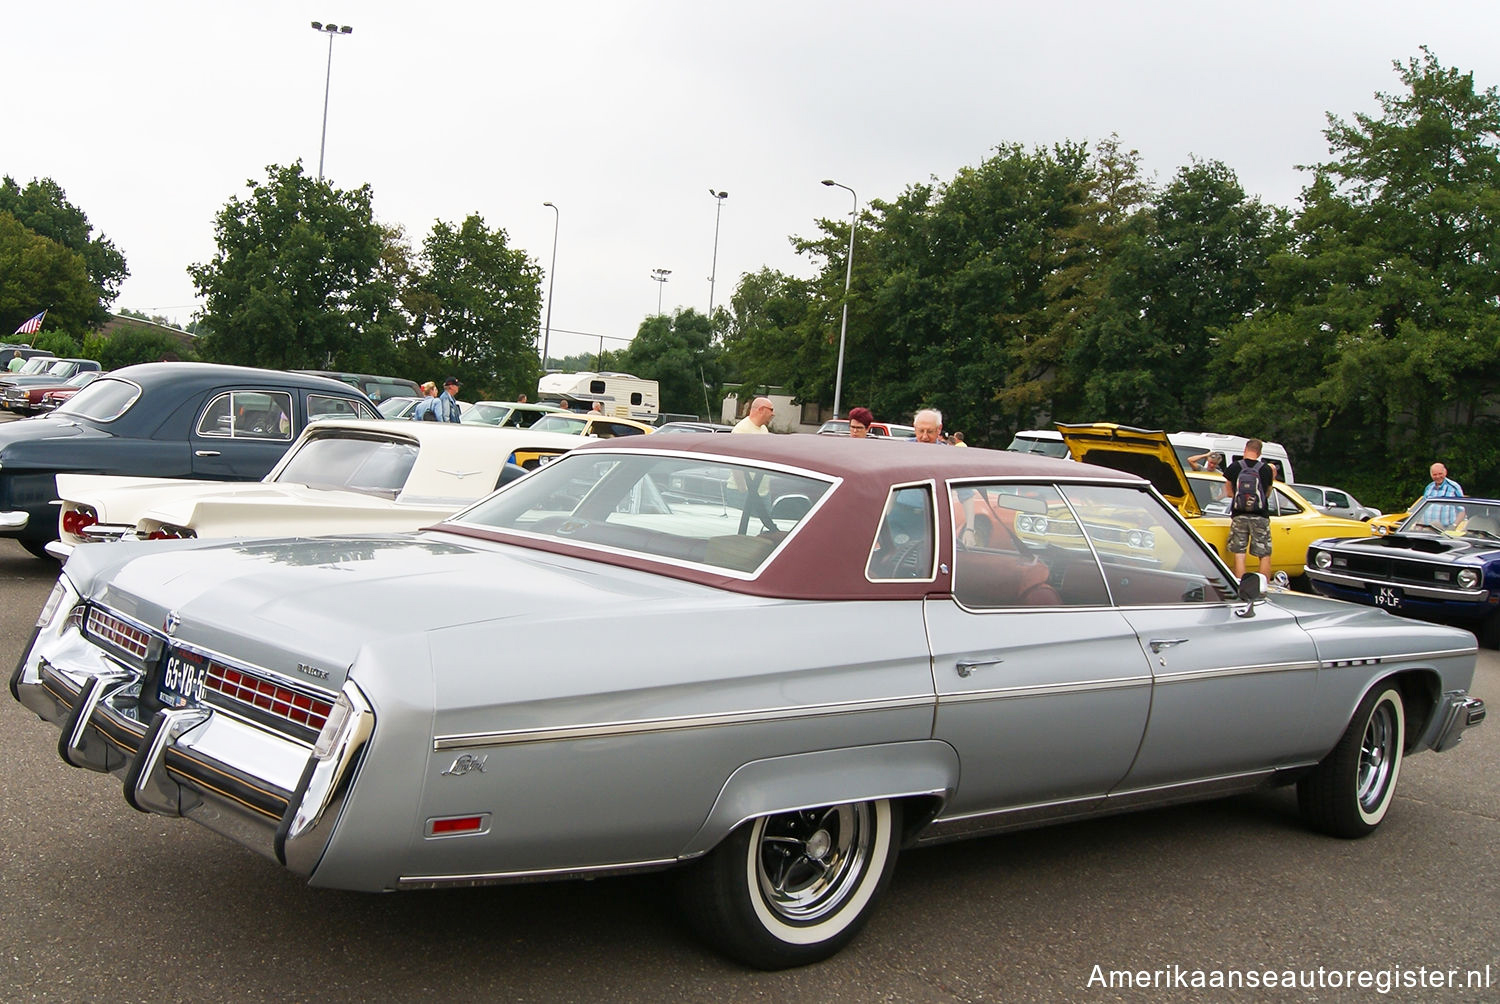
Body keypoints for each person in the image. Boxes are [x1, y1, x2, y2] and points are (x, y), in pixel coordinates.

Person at [1220, 438, 1275, 579]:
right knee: (1264, 554)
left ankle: (1240, 586)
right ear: (1259, 452)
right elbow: (1268, 493)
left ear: (1245, 449)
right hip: (1260, 515)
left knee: (1239, 553)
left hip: (1239, 514)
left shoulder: (1234, 467)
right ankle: (1263, 588)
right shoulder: (1266, 469)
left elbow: (1229, 493)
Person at [1422, 462, 1464, 529]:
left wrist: (1454, 526)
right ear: (1431, 475)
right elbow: (1422, 509)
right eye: (1434, 474)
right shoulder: (1429, 487)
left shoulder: (1454, 487)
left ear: (1445, 472)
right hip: (1427, 529)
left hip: (1445, 530)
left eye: (1440, 474)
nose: (1438, 477)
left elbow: (1462, 511)